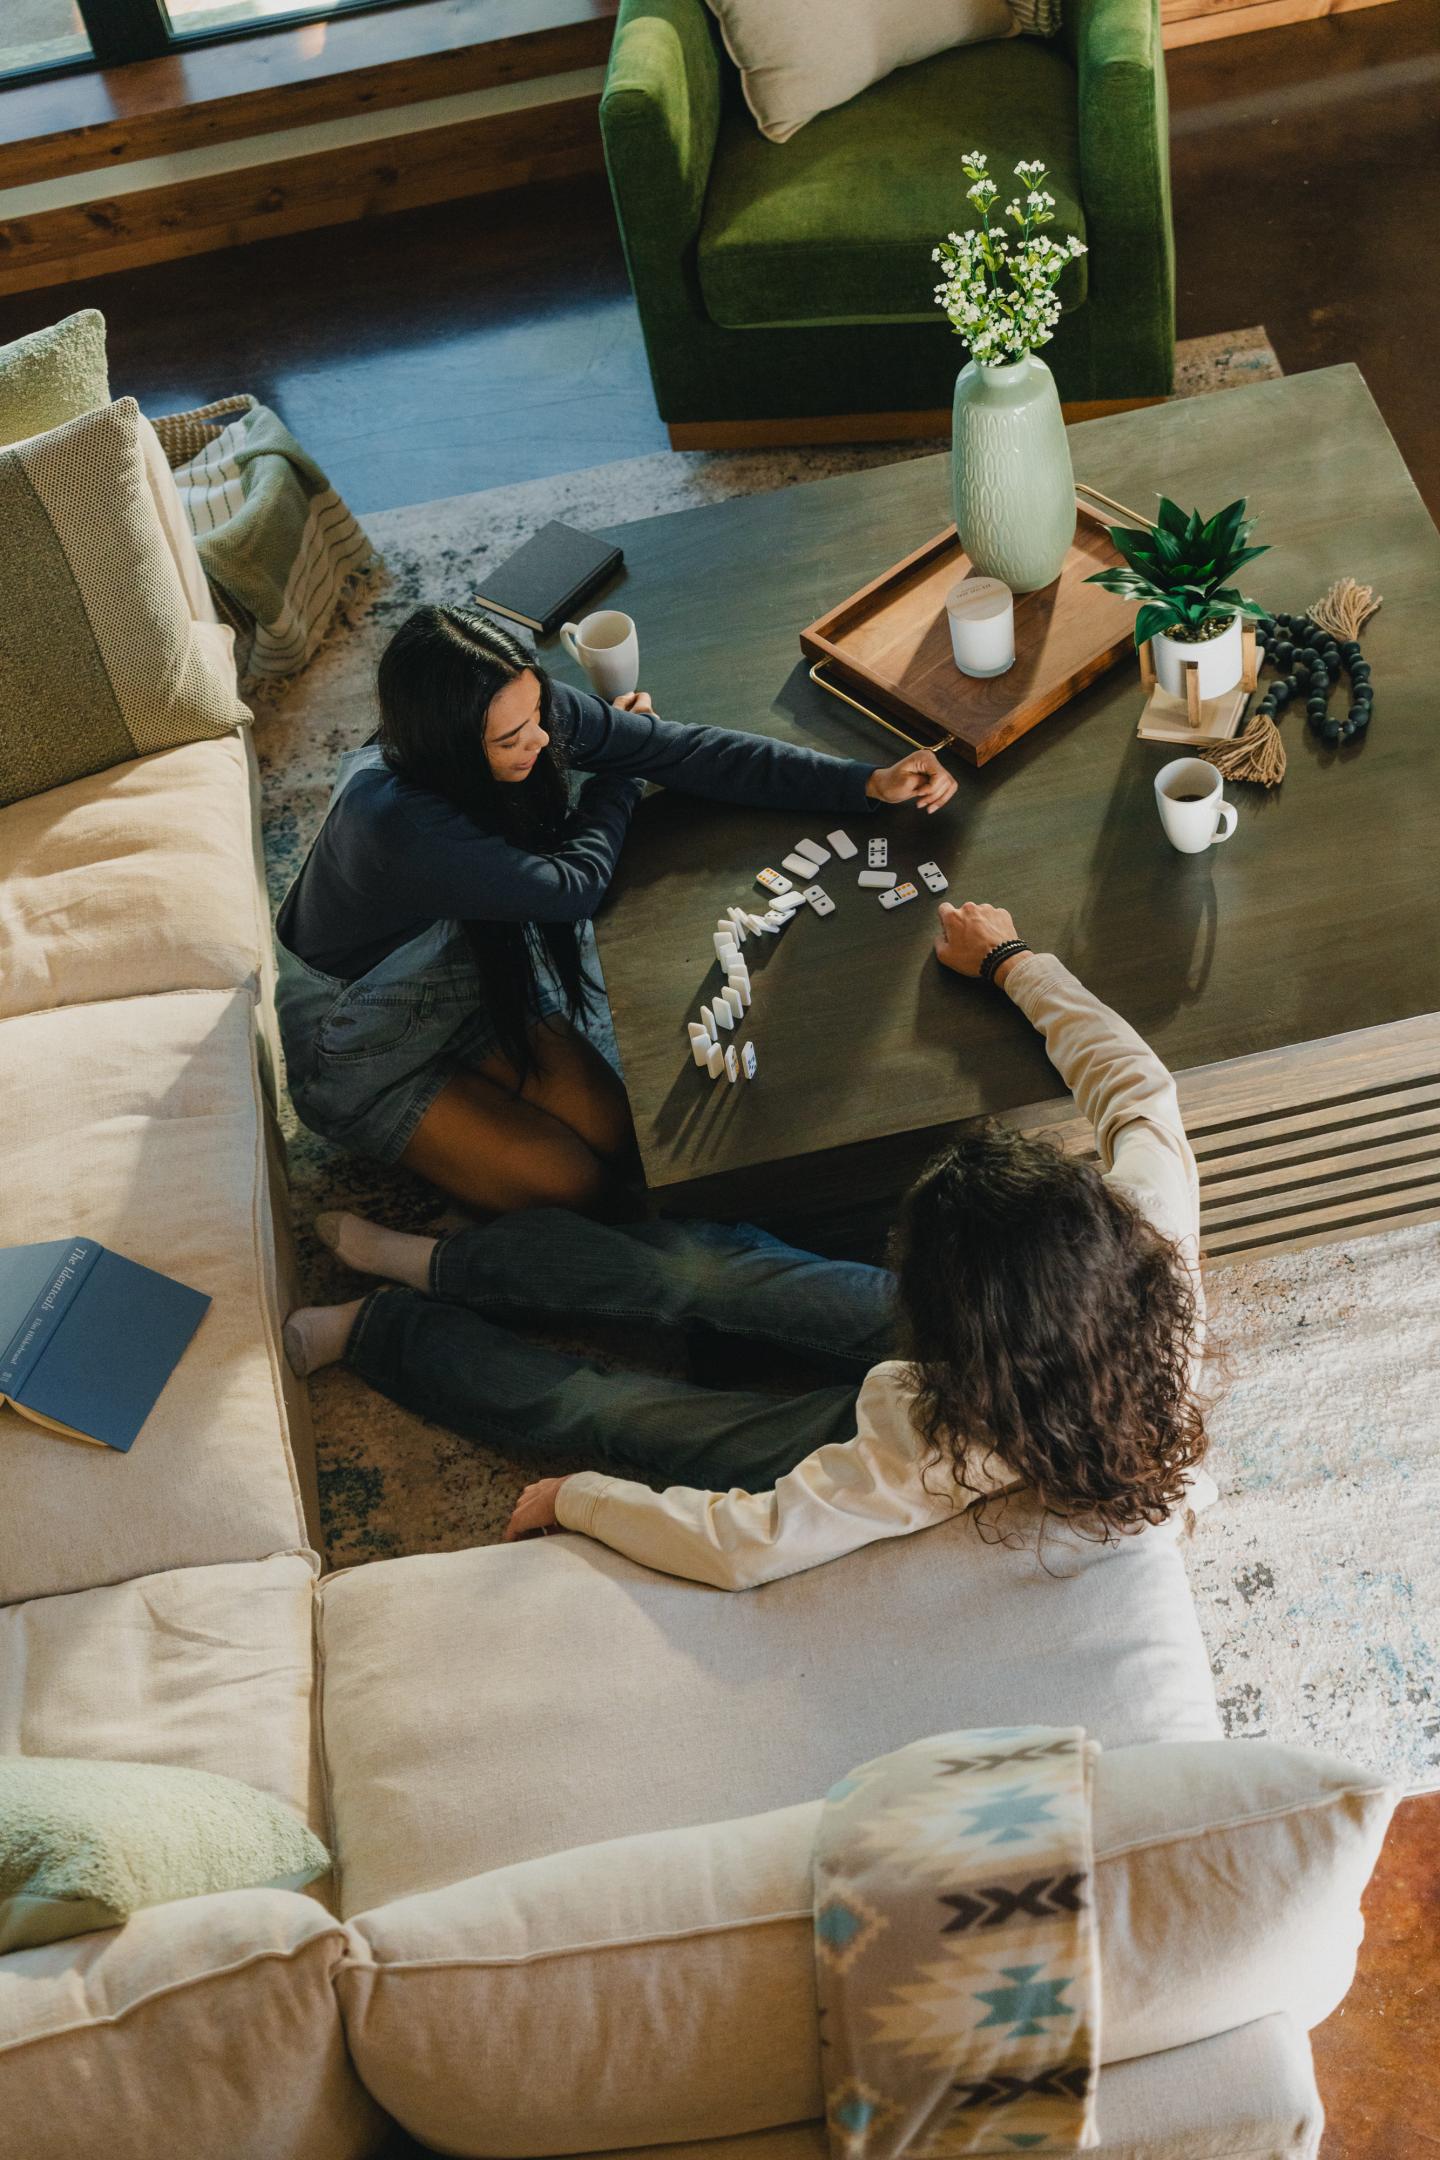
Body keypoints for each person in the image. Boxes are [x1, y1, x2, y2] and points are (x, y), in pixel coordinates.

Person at [283, 901, 1217, 1587]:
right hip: (1004, 1357)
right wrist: (1011, 957)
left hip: (971, 1412)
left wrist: (579, 1501)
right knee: (703, 1266)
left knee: (623, 1418)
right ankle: (439, 1262)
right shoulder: (1148, 1221)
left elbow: (746, 1545)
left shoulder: (925, 1459)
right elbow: (1138, 1086)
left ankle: (380, 1333)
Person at [274, 603, 955, 1215]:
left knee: (621, 1138)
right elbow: (573, 887)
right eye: (510, 740)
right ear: (449, 745)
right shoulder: (394, 825)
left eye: (537, 716)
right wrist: (618, 776)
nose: (539, 742)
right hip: (362, 1046)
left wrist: (865, 781)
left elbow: (682, 749)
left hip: (470, 993)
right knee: (576, 1185)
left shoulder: (523, 708)